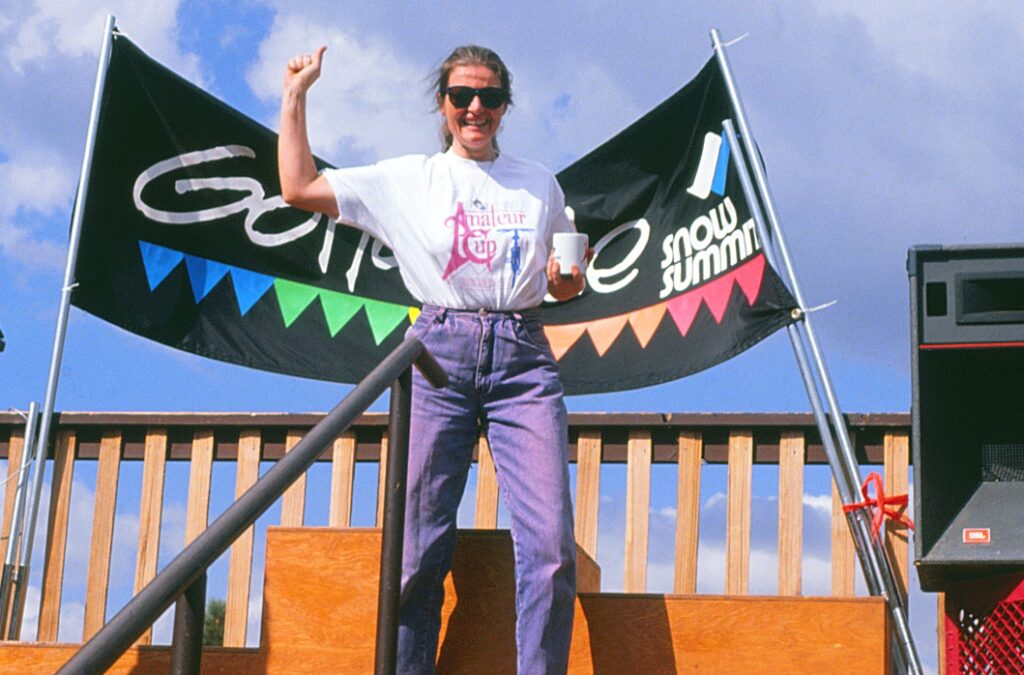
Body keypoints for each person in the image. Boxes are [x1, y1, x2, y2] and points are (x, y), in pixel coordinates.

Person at [278, 44, 587, 673]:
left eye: (490, 98)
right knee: (415, 552)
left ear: (506, 105)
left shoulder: (539, 184)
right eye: (462, 97)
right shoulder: (410, 178)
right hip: (436, 354)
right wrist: (296, 95)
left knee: (552, 549)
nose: (476, 109)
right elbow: (299, 188)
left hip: (522, 357)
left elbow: (564, 283)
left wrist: (564, 279)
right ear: (442, 105)